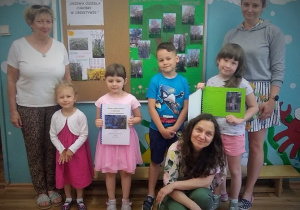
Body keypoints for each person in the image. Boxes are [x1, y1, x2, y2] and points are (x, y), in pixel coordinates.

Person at [6, 4, 71, 209]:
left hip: (56, 107)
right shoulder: (18, 46)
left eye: (49, 21)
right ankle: (41, 190)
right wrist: (13, 110)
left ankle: (52, 187)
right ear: (30, 23)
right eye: (40, 21)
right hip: (28, 106)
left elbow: (67, 78)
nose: (45, 25)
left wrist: (69, 105)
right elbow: (10, 80)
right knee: (35, 150)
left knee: (54, 149)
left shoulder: (60, 47)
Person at [223, 1, 285, 209]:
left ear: (263, 6)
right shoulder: (232, 34)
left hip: (261, 94)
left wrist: (271, 100)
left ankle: (248, 192)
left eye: (255, 5)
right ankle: (226, 189)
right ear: (240, 4)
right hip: (234, 91)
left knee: (256, 145)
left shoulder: (272, 31)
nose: (250, 9)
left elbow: (278, 69)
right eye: (246, 4)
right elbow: (226, 65)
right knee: (230, 143)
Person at [197, 43, 259, 210]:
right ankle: (217, 197)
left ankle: (234, 201)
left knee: (235, 170)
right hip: (215, 135)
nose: (228, 65)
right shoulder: (211, 81)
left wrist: (241, 119)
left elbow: (254, 107)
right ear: (218, 60)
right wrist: (201, 90)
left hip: (234, 134)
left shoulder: (242, 83)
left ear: (238, 66)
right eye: (226, 60)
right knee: (217, 169)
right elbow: (204, 105)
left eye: (233, 62)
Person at [142, 42, 190, 210]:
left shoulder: (183, 81)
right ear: (158, 62)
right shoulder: (155, 80)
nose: (165, 62)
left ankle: (174, 192)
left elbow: (186, 107)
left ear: (177, 59)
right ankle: (150, 194)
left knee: (177, 162)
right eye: (161, 60)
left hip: (178, 131)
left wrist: (176, 127)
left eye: (168, 58)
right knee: (155, 162)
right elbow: (151, 107)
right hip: (157, 130)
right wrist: (162, 129)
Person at [94, 63, 143, 210]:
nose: (114, 84)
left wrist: (133, 120)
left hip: (126, 140)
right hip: (108, 141)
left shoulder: (131, 99)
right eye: (110, 80)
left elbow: (139, 117)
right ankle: (111, 201)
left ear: (125, 81)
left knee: (125, 171)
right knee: (109, 172)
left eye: (118, 80)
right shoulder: (102, 100)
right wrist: (98, 122)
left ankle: (126, 201)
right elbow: (98, 121)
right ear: (105, 81)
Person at [156, 113, 226, 210]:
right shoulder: (175, 149)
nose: (202, 136)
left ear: (213, 138)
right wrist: (194, 207)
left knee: (204, 197)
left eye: (208, 134)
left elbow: (206, 182)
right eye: (199, 130)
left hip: (196, 191)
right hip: (174, 193)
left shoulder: (215, 151)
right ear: (191, 129)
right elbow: (169, 187)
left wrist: (174, 185)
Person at [50, 82, 94, 210]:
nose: (65, 99)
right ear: (57, 99)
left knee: (78, 174)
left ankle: (80, 198)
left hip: (78, 152)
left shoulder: (80, 115)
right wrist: (62, 150)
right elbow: (53, 135)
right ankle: (68, 198)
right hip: (62, 153)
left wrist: (72, 149)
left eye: (68, 96)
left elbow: (84, 134)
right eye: (61, 97)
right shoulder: (56, 116)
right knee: (66, 175)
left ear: (75, 98)